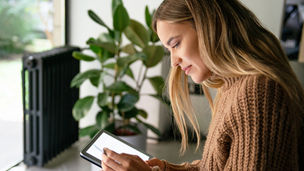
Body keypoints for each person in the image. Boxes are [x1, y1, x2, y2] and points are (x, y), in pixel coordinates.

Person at [101, 0, 304, 170]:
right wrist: (160, 168)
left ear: (209, 26)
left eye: (175, 44)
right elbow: (215, 166)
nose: (173, 62)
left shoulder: (258, 94)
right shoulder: (233, 86)